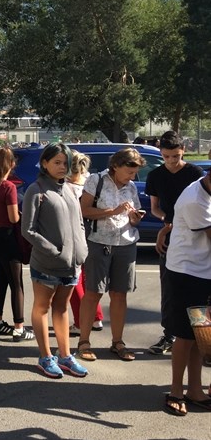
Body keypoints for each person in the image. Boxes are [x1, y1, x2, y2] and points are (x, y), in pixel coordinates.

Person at [22, 143, 89, 378]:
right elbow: (27, 230)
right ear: (45, 164)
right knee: (42, 308)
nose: (62, 167)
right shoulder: (36, 189)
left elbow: (79, 222)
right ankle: (45, 356)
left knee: (61, 309)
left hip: (73, 264)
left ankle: (65, 356)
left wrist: (81, 249)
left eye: (65, 162)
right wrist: (54, 251)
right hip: (47, 264)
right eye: (57, 162)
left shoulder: (69, 189)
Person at [77, 148, 146, 362]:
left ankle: (118, 342)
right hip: (98, 243)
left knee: (119, 294)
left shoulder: (132, 187)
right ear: (115, 166)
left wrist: (135, 217)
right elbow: (84, 210)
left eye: (135, 173)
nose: (132, 177)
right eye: (129, 172)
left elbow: (133, 218)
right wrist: (112, 212)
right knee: (93, 293)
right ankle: (84, 342)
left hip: (126, 243)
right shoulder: (96, 180)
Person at [145, 131, 204, 356]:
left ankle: (200, 337)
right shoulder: (156, 175)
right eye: (167, 156)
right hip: (170, 235)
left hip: (198, 236)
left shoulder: (195, 173)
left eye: (176, 157)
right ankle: (169, 334)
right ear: (161, 153)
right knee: (170, 289)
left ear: (183, 152)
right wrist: (167, 222)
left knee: (199, 290)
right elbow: (155, 207)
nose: (171, 162)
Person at [163, 171, 211, 416]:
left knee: (200, 334)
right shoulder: (196, 200)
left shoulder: (205, 188)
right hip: (187, 274)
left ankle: (195, 390)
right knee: (185, 335)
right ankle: (175, 391)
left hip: (204, 272)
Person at [0, 147, 34, 342]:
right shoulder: (8, 187)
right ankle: (19, 327)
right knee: (16, 283)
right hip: (7, 237)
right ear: (12, 164)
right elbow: (13, 217)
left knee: (0, 278)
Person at [66, 150, 104, 335]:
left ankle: (81, 321)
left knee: (74, 280)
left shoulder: (67, 187)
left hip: (74, 234)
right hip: (94, 233)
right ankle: (96, 317)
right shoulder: (91, 181)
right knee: (90, 279)